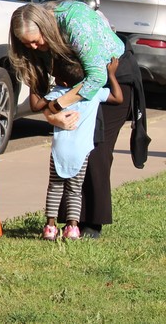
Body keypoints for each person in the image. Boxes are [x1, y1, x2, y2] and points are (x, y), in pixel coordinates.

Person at [8, 0, 147, 239]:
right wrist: (54, 117)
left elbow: (96, 78)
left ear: (45, 27)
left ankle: (93, 223)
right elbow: (40, 98)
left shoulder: (75, 23)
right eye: (26, 43)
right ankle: (69, 221)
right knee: (70, 147)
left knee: (94, 148)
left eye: (36, 40)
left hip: (112, 76)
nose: (33, 46)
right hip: (75, 83)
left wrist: (57, 105)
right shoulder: (35, 44)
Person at [39, 58, 123, 241]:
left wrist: (34, 84)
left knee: (55, 187)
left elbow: (36, 105)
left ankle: (50, 227)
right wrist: (111, 75)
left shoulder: (58, 93)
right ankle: (73, 228)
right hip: (81, 151)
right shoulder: (94, 93)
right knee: (75, 190)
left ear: (64, 81)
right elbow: (118, 98)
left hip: (59, 150)